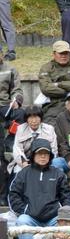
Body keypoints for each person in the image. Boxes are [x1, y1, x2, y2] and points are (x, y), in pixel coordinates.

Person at [8, 138, 70, 239]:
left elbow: (67, 197)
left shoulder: (58, 173)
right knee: (22, 221)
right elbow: (13, 195)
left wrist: (63, 216)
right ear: (33, 155)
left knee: (65, 225)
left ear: (50, 156)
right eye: (40, 153)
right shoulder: (23, 173)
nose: (43, 156)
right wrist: (25, 210)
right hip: (31, 217)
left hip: (53, 218)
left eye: (46, 153)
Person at [37, 40, 70, 123]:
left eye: (66, 53)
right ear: (54, 54)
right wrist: (69, 91)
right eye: (61, 53)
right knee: (50, 124)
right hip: (53, 104)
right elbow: (45, 88)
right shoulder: (46, 68)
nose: (64, 56)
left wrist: (58, 84)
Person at [0, 48, 22, 203]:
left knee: (21, 113)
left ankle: (10, 141)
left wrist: (16, 100)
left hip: (5, 106)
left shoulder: (11, 69)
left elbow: (17, 90)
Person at [10, 105, 57, 174]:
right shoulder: (20, 129)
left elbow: (54, 150)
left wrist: (45, 162)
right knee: (19, 173)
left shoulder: (49, 129)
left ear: (41, 118)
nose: (34, 121)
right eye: (30, 118)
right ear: (26, 119)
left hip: (45, 161)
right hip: (25, 161)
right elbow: (17, 149)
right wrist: (23, 163)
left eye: (36, 117)